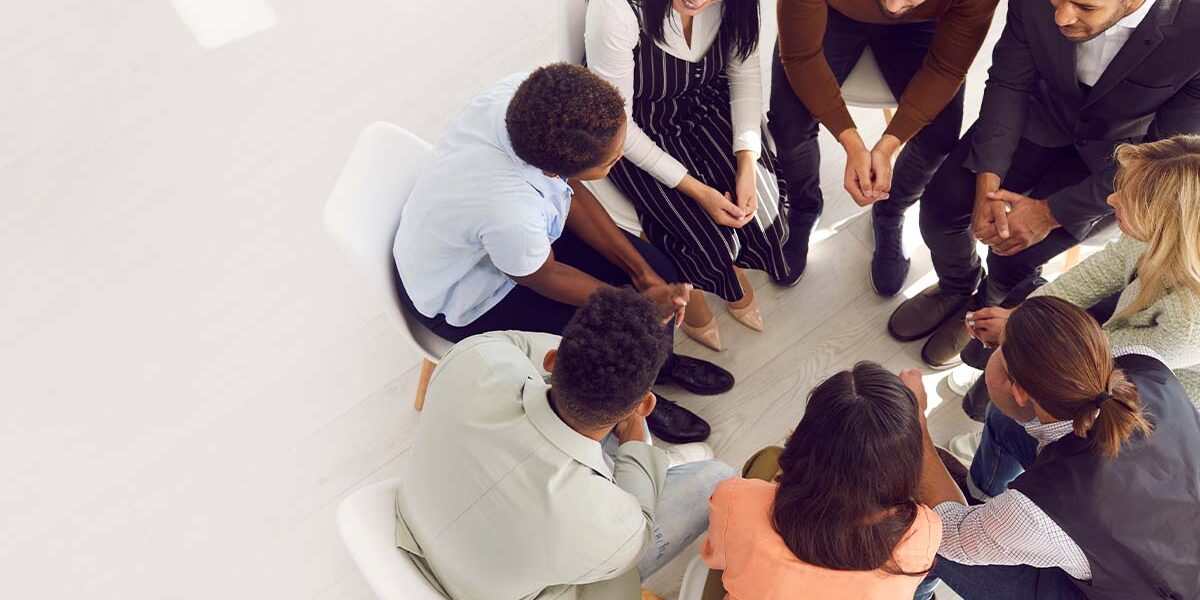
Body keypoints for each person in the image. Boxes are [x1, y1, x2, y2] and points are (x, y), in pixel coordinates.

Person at [393, 64, 735, 443]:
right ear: (555, 170)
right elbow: (544, 275)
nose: (620, 156)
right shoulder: (511, 212)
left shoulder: (525, 102)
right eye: (612, 160)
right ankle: (632, 406)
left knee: (657, 268)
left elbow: (568, 195)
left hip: (504, 243)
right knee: (612, 342)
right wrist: (634, 306)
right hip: (465, 294)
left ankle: (658, 365)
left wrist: (644, 277)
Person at [888, 0, 1200, 368]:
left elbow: (1163, 155)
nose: (1061, 18)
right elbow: (1008, 81)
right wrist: (988, 181)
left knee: (1017, 258)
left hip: (1120, 160)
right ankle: (956, 284)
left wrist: (1051, 214)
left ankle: (986, 304)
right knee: (941, 209)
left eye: (1085, 6)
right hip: (1036, 114)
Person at [394, 289, 736, 600]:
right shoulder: (614, 527)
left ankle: (653, 462)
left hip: (413, 528)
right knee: (717, 478)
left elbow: (521, 346)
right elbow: (639, 526)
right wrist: (635, 442)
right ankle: (654, 462)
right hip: (509, 587)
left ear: (553, 360)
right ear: (644, 406)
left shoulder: (475, 357)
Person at [909, 296, 1200, 600]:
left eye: (1000, 351)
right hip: (1163, 545)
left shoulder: (1041, 509)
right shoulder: (1143, 362)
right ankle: (980, 496)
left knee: (917, 530)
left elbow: (949, 535)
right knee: (1004, 421)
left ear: (1019, 391)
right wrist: (1024, 337)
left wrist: (916, 426)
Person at [585, 0, 796, 352]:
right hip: (638, 127)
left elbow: (744, 72)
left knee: (764, 211)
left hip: (705, 101)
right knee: (703, 236)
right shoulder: (617, 10)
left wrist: (746, 161)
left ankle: (732, 269)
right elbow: (620, 124)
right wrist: (698, 191)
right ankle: (695, 291)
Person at [770, 0, 1000, 297]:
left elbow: (947, 68)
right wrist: (851, 140)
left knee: (940, 134)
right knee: (788, 122)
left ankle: (891, 211)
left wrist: (890, 143)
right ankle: (803, 207)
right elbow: (800, 58)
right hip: (833, 13)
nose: (891, 6)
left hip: (920, 25)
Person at [965, 136, 1200, 411]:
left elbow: (1104, 359)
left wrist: (1021, 330)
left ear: (1169, 225)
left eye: (1129, 197)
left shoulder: (1189, 324)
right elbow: (1095, 273)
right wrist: (1021, 315)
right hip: (1119, 334)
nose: (1111, 198)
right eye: (1120, 186)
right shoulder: (1157, 236)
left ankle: (1011, 426)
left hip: (1143, 398)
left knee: (1015, 412)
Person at [698, 362, 940, 600]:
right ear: (907, 464)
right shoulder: (922, 531)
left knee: (767, 458)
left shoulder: (736, 500)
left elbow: (716, 557)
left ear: (803, 439)